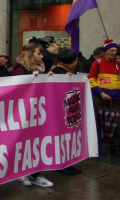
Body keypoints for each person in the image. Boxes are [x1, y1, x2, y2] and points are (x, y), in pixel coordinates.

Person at [12, 43, 53, 188]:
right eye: (38, 54)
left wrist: (47, 78)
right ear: (30, 54)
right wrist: (30, 78)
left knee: (34, 142)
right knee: (24, 142)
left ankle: (33, 173)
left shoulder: (38, 69)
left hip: (36, 111)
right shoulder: (20, 70)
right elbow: (18, 89)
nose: (41, 57)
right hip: (24, 113)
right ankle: (23, 172)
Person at [88, 39, 120, 155]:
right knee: (98, 122)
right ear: (105, 52)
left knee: (116, 124)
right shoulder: (97, 63)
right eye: (111, 50)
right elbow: (91, 80)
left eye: (116, 50)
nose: (114, 53)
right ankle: (96, 147)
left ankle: (113, 147)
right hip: (99, 98)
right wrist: (101, 93)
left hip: (116, 99)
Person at [51, 48, 83, 174]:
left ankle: (68, 163)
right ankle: (62, 165)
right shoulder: (58, 72)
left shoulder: (67, 72)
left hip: (69, 110)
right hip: (61, 112)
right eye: (76, 59)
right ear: (72, 61)